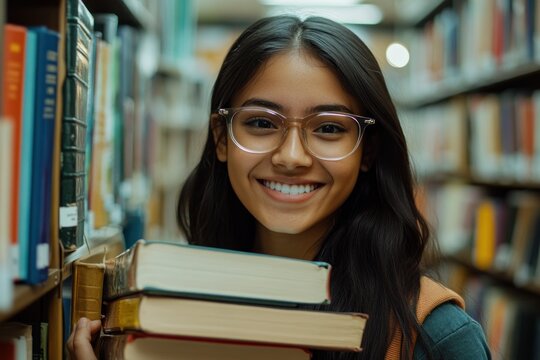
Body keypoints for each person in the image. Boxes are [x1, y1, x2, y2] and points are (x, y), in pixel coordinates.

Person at [68, 15, 491, 360]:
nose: (291, 156)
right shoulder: (159, 316)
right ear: (221, 137)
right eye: (261, 123)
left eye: (328, 128)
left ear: (368, 151)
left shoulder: (438, 336)